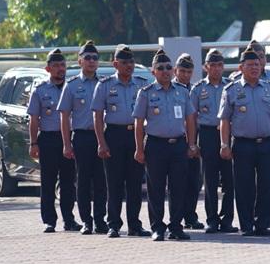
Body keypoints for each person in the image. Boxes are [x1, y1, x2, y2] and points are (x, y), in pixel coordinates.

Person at [219, 46, 270, 236]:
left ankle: (262, 223)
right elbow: (224, 119)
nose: (255, 68)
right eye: (250, 65)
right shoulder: (231, 90)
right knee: (244, 186)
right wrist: (224, 144)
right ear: (241, 67)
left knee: (266, 185)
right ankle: (247, 225)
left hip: (266, 143)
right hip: (242, 144)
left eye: (257, 64)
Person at [134, 49, 198, 241]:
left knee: (178, 187)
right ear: (153, 72)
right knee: (156, 189)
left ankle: (176, 227)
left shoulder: (182, 92)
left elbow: (190, 120)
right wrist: (139, 148)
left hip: (178, 144)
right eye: (160, 68)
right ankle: (158, 228)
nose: (165, 71)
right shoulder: (146, 93)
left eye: (168, 67)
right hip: (156, 145)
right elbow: (138, 123)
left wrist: (192, 144)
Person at [92, 44, 150, 238]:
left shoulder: (141, 84)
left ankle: (134, 224)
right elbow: (98, 116)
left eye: (132, 62)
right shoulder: (105, 85)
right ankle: (114, 224)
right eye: (124, 62)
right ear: (115, 64)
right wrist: (101, 142)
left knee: (135, 184)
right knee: (114, 183)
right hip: (114, 136)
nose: (129, 66)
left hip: (135, 135)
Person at [28, 48, 80, 233]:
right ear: (48, 68)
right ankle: (49, 220)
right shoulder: (40, 91)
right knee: (48, 182)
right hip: (49, 139)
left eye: (63, 65)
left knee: (68, 182)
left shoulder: (73, 88)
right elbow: (34, 120)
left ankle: (69, 219)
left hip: (69, 138)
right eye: (56, 65)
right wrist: (33, 143)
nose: (60, 69)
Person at [58, 40, 106, 235]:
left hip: (101, 137)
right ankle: (87, 220)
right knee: (84, 180)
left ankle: (101, 220)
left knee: (102, 181)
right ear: (79, 61)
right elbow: (64, 116)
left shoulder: (104, 84)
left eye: (95, 58)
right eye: (87, 58)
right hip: (82, 137)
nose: (92, 61)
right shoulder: (72, 85)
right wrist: (66, 144)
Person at [190, 49, 238, 233]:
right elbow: (192, 118)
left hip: (228, 134)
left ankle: (227, 220)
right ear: (205, 67)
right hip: (208, 134)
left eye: (219, 65)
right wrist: (192, 142)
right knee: (209, 180)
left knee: (229, 179)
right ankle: (212, 219)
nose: (216, 69)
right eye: (213, 65)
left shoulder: (231, 86)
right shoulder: (198, 88)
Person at [173, 53, 204, 230]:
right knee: (178, 182)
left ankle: (190, 216)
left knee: (194, 181)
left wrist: (194, 142)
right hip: (176, 140)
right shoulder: (171, 89)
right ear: (176, 71)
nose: (185, 74)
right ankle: (177, 217)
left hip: (193, 139)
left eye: (189, 71)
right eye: (182, 71)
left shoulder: (195, 90)